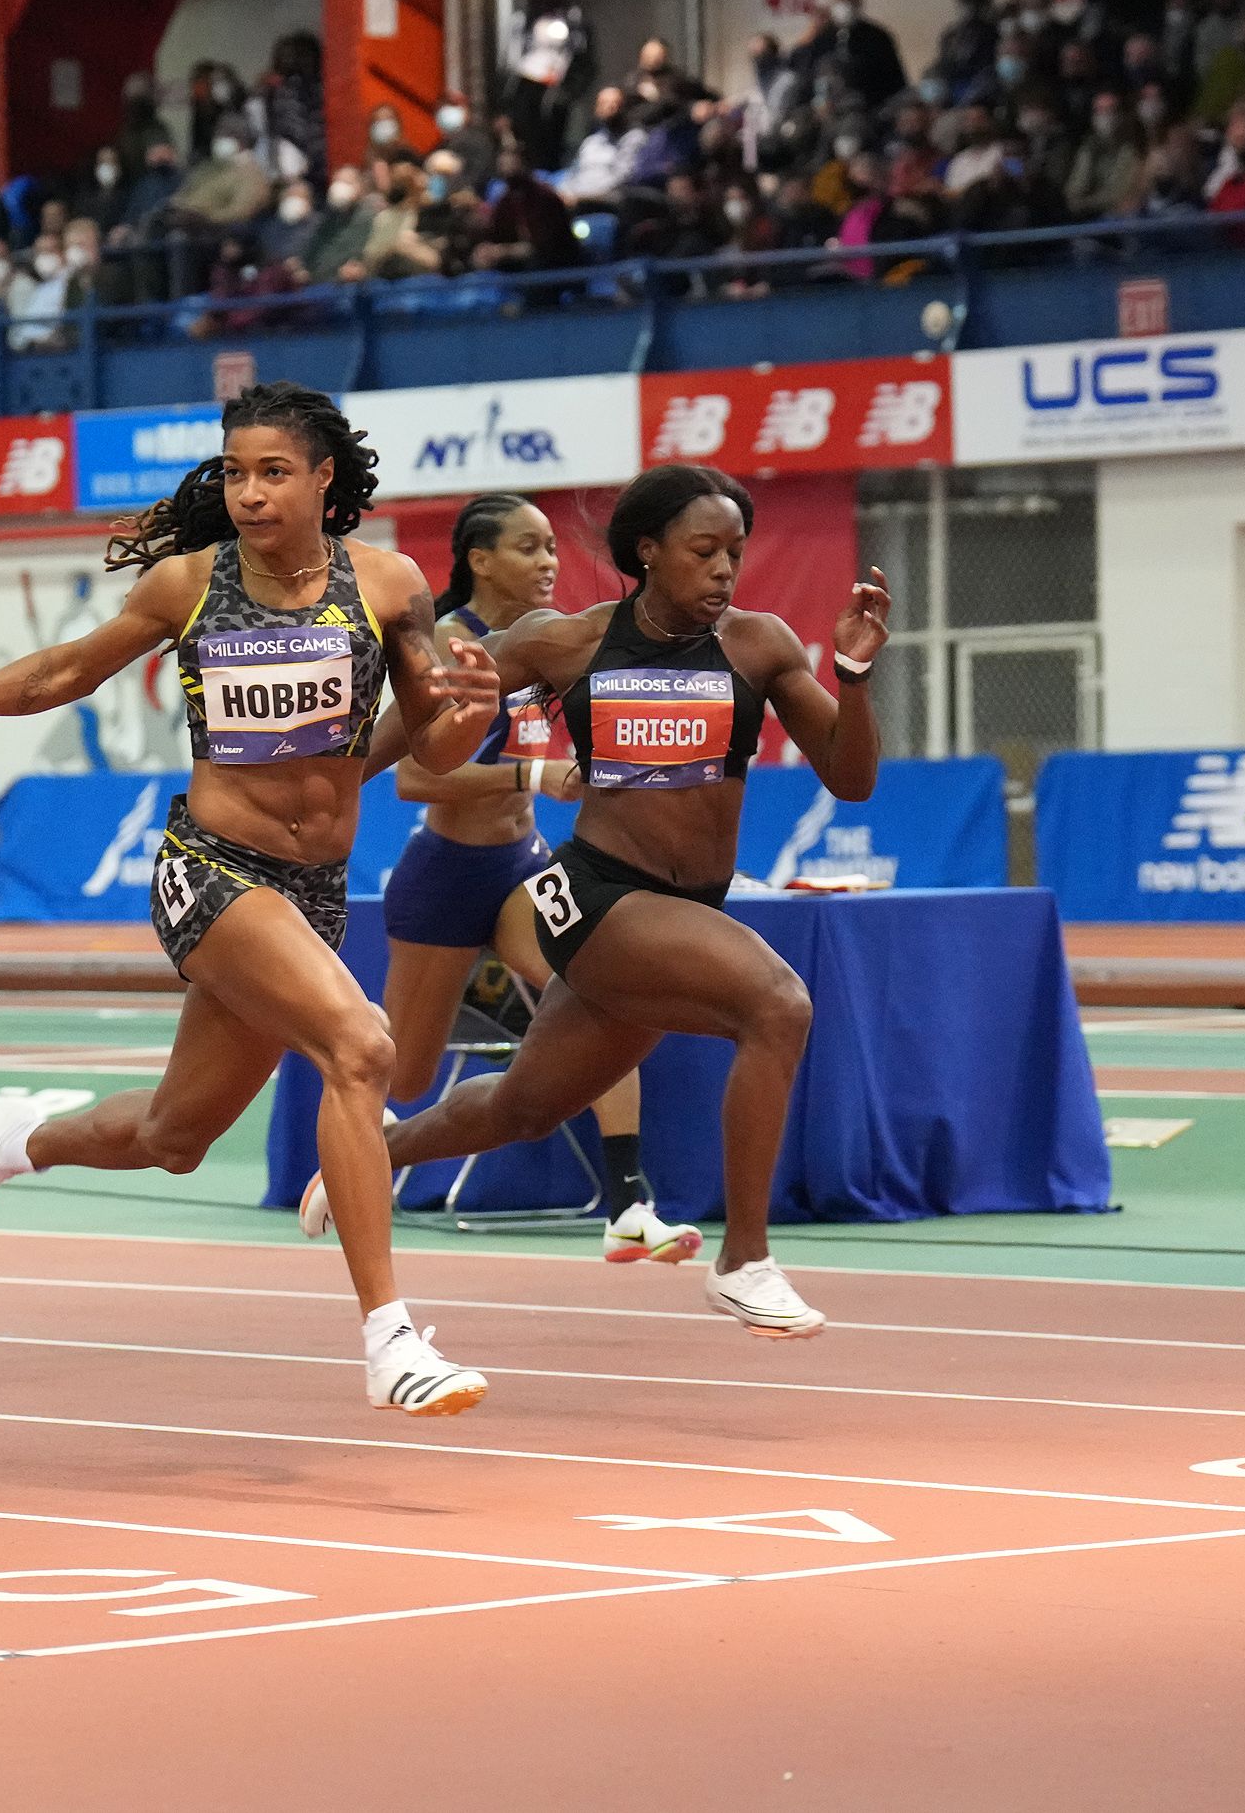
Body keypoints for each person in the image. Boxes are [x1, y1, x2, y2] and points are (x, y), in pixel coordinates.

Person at [0, 382, 504, 1417]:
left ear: (323, 478)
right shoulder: (188, 586)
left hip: (312, 890)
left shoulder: (386, 586)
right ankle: (389, 1341)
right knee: (360, 1046)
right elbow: (62, 671)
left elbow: (430, 739)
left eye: (272, 472)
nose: (248, 492)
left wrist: (473, 712)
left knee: (172, 1137)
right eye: (236, 472)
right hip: (209, 869)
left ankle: (12, 1143)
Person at [381, 465, 892, 1341]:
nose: (725, 569)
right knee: (778, 1004)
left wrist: (849, 674)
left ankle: (361, 1155)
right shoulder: (565, 641)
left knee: (525, 1108)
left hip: (680, 904)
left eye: (736, 551)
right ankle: (745, 1261)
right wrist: (397, 720)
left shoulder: (759, 645)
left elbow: (852, 780)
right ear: (647, 551)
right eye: (704, 551)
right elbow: (421, 739)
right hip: (594, 893)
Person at [376, 495, 691, 1264]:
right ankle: (361, 1151)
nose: (550, 561)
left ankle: (628, 1204)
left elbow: (554, 755)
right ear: (480, 561)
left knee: (600, 994)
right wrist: (536, 772)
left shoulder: (544, 644)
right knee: (402, 1071)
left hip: (522, 865)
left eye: (553, 546)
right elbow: (413, 779)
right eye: (528, 547)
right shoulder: (448, 645)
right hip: (446, 875)